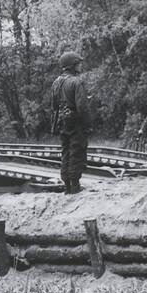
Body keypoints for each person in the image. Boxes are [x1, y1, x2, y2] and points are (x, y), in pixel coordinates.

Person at [50, 51, 92, 194]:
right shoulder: (76, 81)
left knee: (66, 151)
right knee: (77, 151)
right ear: (72, 65)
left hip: (62, 122)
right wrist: (87, 124)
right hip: (75, 122)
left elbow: (54, 106)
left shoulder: (56, 82)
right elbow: (82, 107)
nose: (80, 65)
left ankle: (67, 186)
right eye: (78, 63)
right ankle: (75, 186)